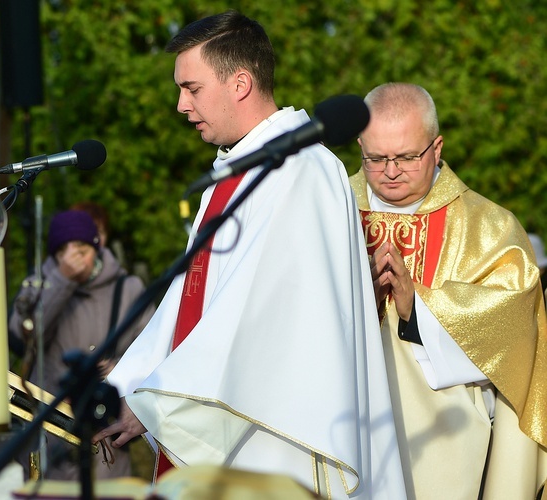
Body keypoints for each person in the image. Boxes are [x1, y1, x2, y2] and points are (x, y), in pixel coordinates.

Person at [94, 11, 406, 498]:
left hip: (273, 434)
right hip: (225, 423)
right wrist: (125, 386)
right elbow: (185, 303)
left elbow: (256, 316)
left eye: (191, 88)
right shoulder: (235, 174)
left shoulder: (302, 169)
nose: (180, 105)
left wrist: (154, 400)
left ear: (240, 83)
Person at [349, 82, 547, 499]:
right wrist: (352, 297)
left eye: (405, 156)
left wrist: (418, 309)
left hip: (442, 439)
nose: (390, 170)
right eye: (375, 158)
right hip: (346, 421)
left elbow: (518, 330)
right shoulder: (332, 210)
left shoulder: (489, 227)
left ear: (436, 148)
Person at [8, 209, 155, 481]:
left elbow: (153, 351)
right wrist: (62, 280)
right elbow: (20, 336)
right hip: (50, 438)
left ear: (96, 248)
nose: (72, 255)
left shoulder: (129, 287)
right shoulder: (40, 283)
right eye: (63, 249)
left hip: (105, 441)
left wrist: (119, 368)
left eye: (80, 247)